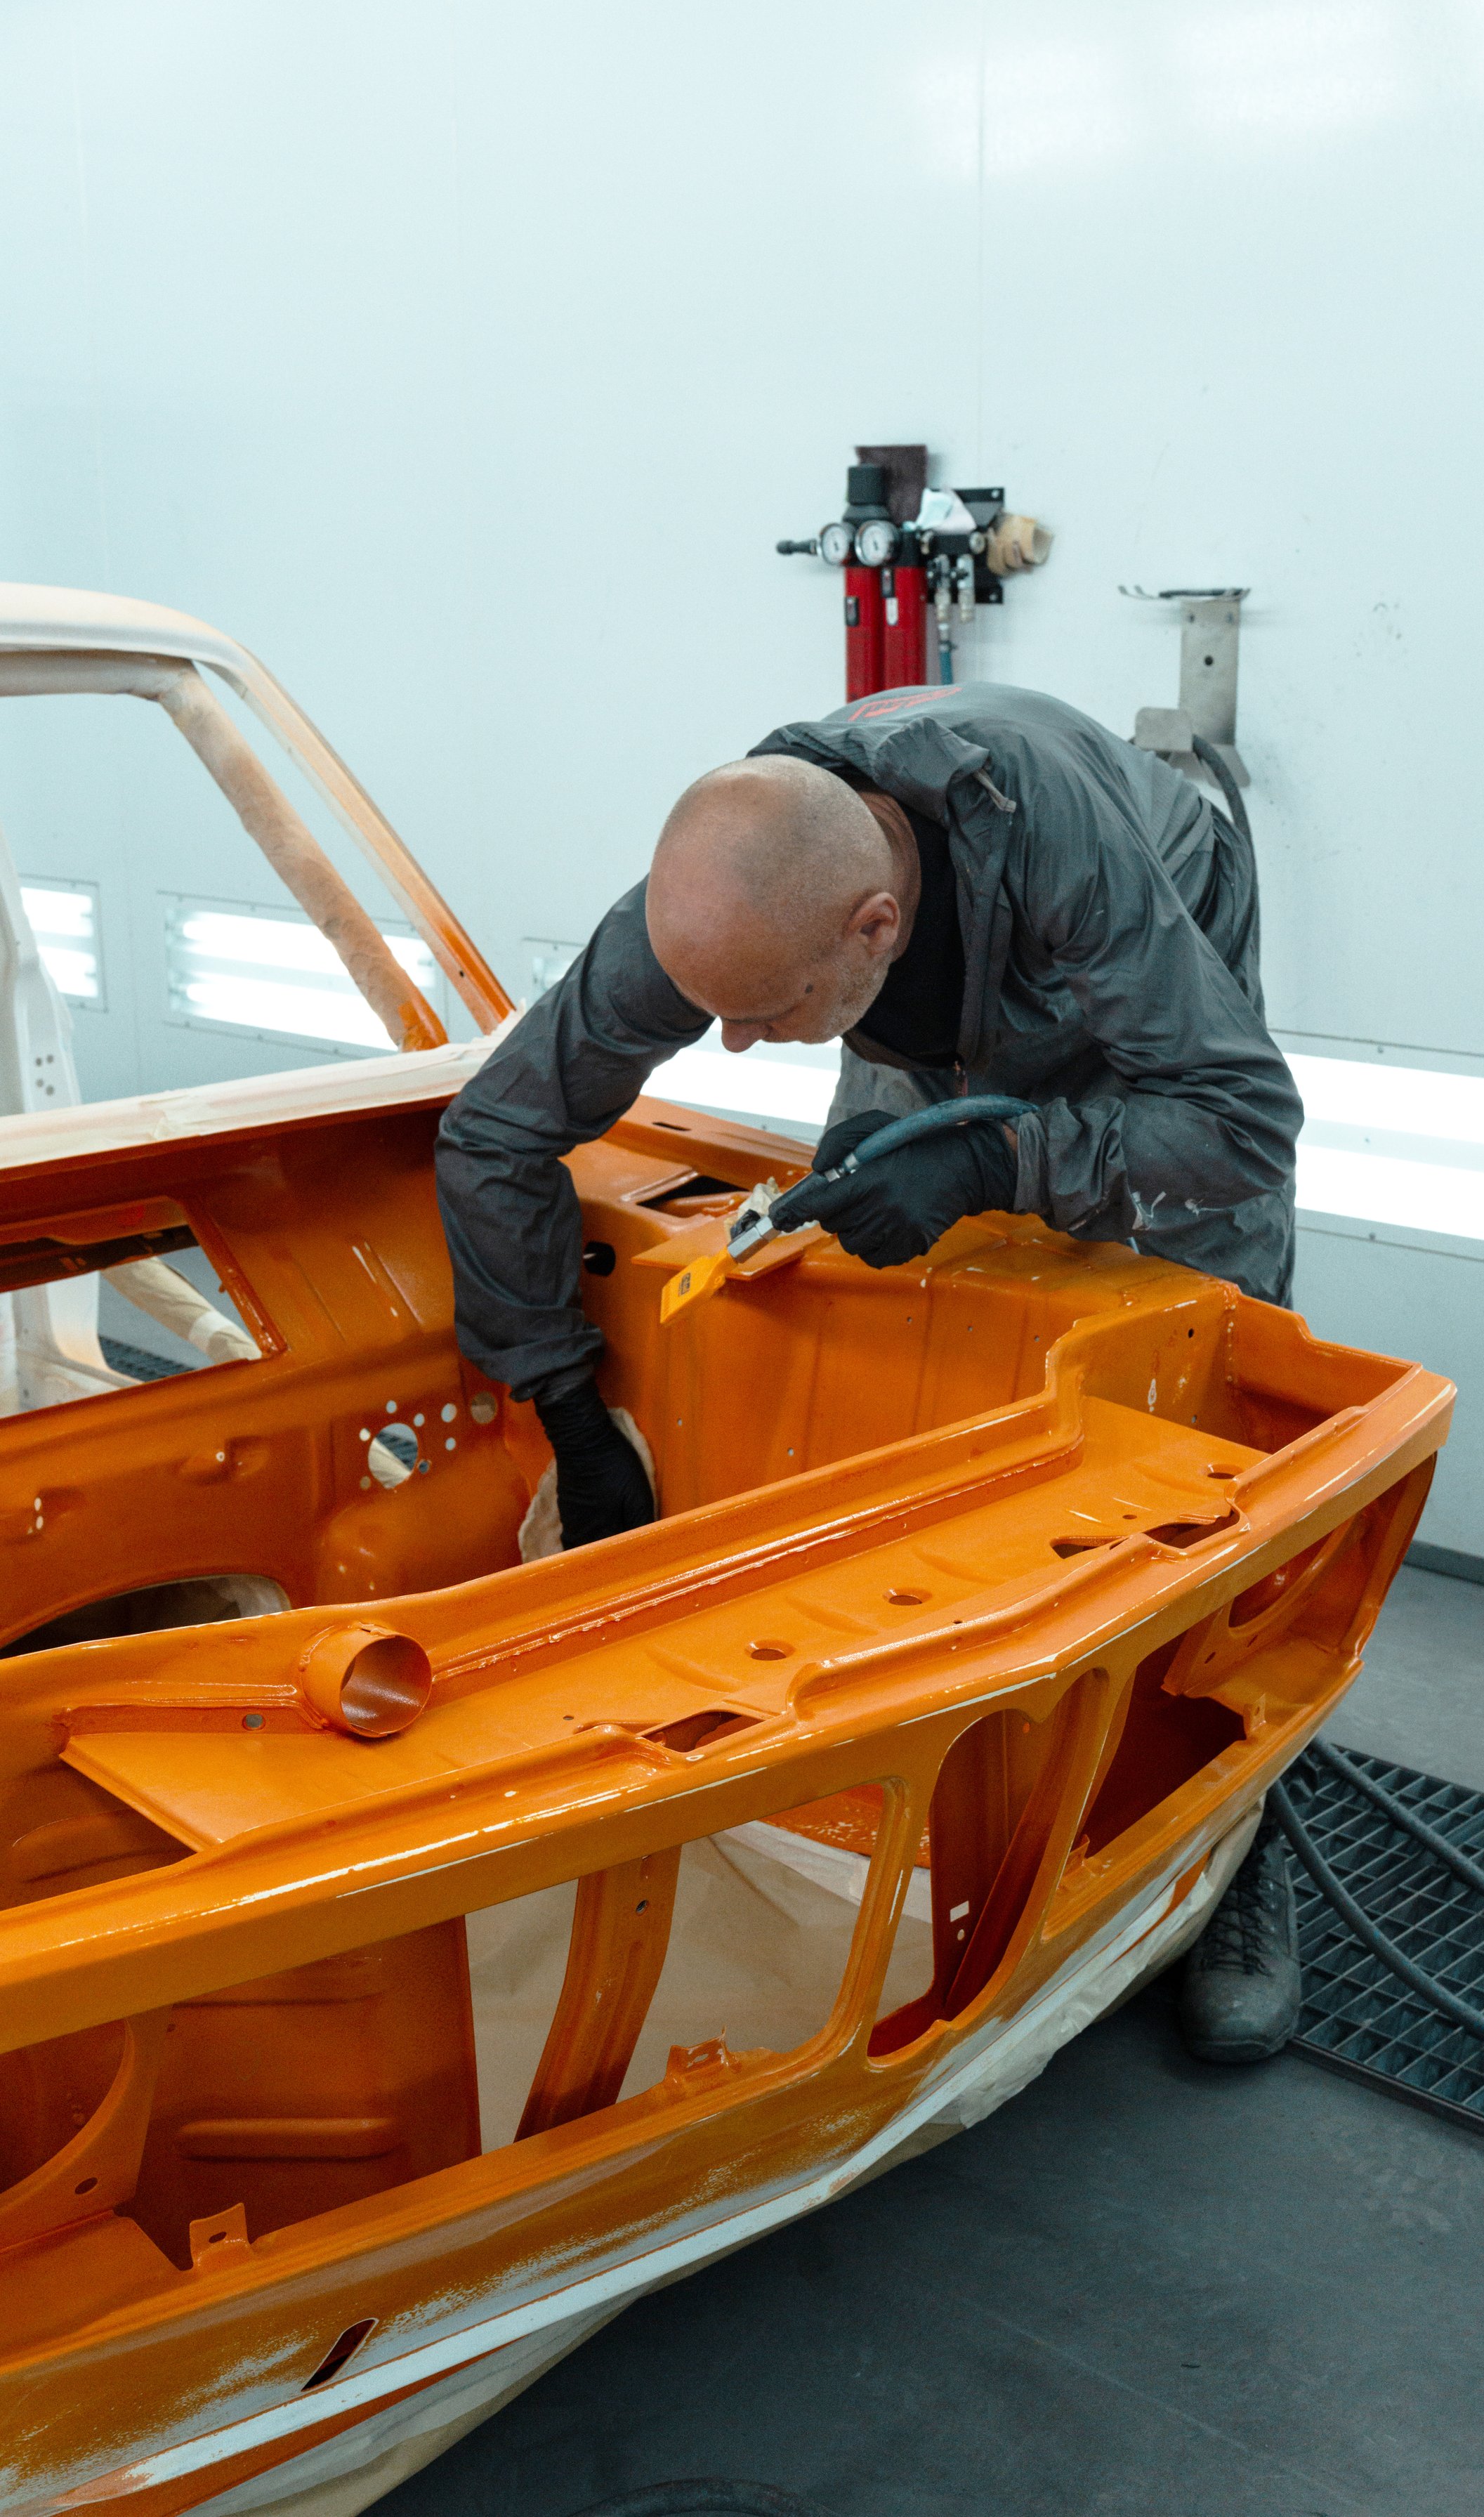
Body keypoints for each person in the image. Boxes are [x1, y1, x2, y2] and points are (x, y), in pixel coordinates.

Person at [435, 679, 1305, 2060]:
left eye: (766, 1015)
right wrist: (566, 1409)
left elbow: (1238, 1122)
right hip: (921, 958)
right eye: (710, 1011)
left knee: (1195, 1366)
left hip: (1143, 933)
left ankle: (1238, 1834)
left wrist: (999, 1157)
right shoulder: (736, 890)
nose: (730, 1043)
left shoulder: (1065, 859)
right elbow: (493, 1135)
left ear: (873, 931)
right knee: (879, 1266)